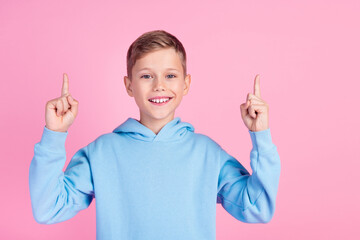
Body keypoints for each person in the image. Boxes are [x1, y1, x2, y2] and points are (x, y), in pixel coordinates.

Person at [29, 29, 281, 240]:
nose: (159, 85)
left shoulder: (208, 153)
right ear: (129, 85)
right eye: (146, 76)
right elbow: (48, 208)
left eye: (170, 75)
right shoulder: (101, 152)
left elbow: (257, 208)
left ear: (185, 84)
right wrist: (54, 133)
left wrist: (261, 137)